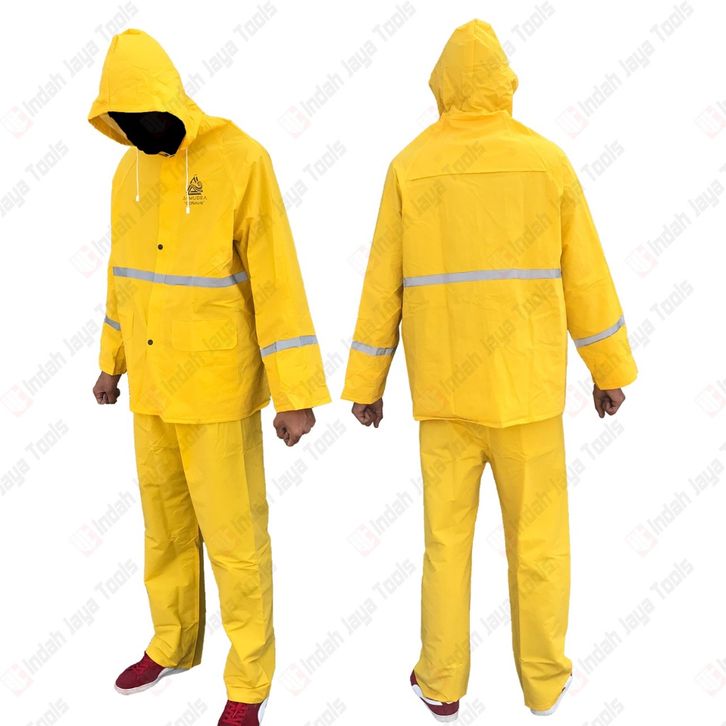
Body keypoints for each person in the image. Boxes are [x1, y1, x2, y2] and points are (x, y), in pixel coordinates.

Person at [342, 19, 637, 720]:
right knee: (539, 547)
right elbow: (586, 276)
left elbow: (382, 283)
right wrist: (607, 369)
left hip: (444, 397)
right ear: (505, 81)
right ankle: (545, 684)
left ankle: (442, 683)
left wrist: (367, 383)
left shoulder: (410, 167)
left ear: (441, 84)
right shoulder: (546, 163)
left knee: (446, 546)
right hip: (526, 396)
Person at [88, 29, 330, 726]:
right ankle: (172, 641)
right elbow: (123, 277)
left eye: (143, 117)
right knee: (163, 529)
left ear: (169, 101)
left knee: (235, 540)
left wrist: (295, 394)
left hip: (219, 391)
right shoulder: (128, 174)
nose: (137, 133)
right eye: (123, 123)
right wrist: (110, 361)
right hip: (152, 389)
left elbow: (277, 281)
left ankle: (248, 680)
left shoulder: (240, 161)